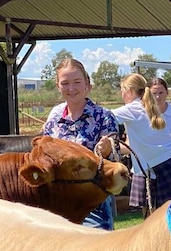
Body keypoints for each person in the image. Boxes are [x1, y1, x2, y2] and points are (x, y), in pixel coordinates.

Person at [41, 58, 118, 231]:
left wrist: (105, 151)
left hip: (92, 203)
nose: (71, 88)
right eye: (65, 83)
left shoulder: (104, 116)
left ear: (87, 84)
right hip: (57, 204)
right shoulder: (54, 117)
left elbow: (115, 161)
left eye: (77, 82)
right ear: (58, 86)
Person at [113, 73, 171, 215]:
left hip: (167, 168)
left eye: (122, 91)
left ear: (128, 91)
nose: (121, 94)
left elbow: (103, 115)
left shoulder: (133, 109)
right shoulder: (144, 107)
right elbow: (132, 145)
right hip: (169, 166)